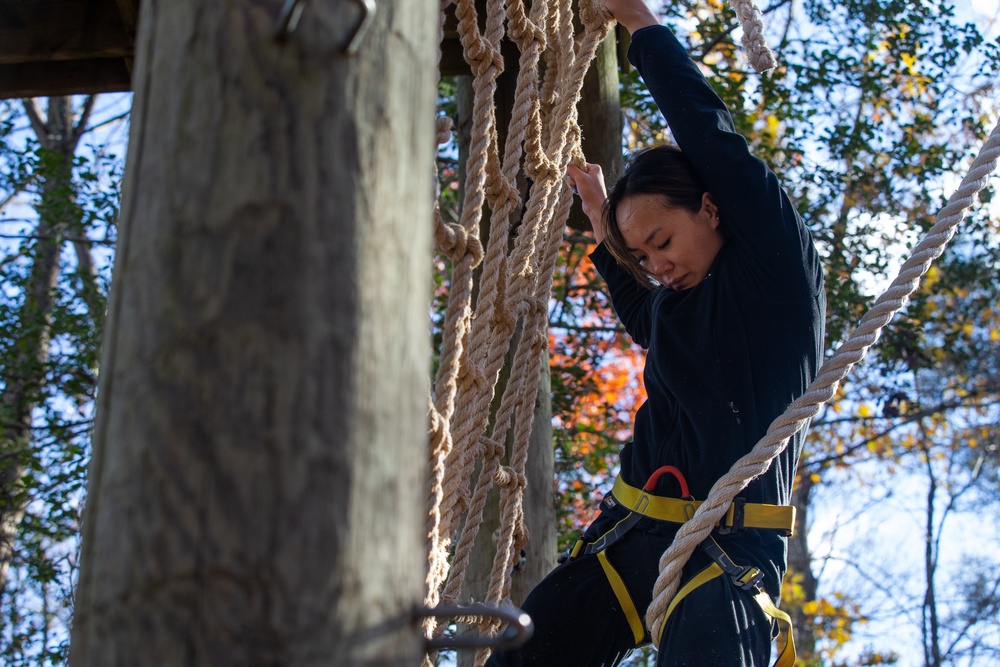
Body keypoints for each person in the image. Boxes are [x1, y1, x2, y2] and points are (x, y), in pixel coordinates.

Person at [486, 1, 826, 665]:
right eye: (642, 255)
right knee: (519, 652)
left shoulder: (775, 274)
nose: (655, 265)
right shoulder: (676, 306)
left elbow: (708, 135)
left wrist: (638, 22)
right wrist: (602, 223)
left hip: (727, 548)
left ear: (710, 206)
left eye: (662, 240)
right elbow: (649, 321)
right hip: (632, 537)